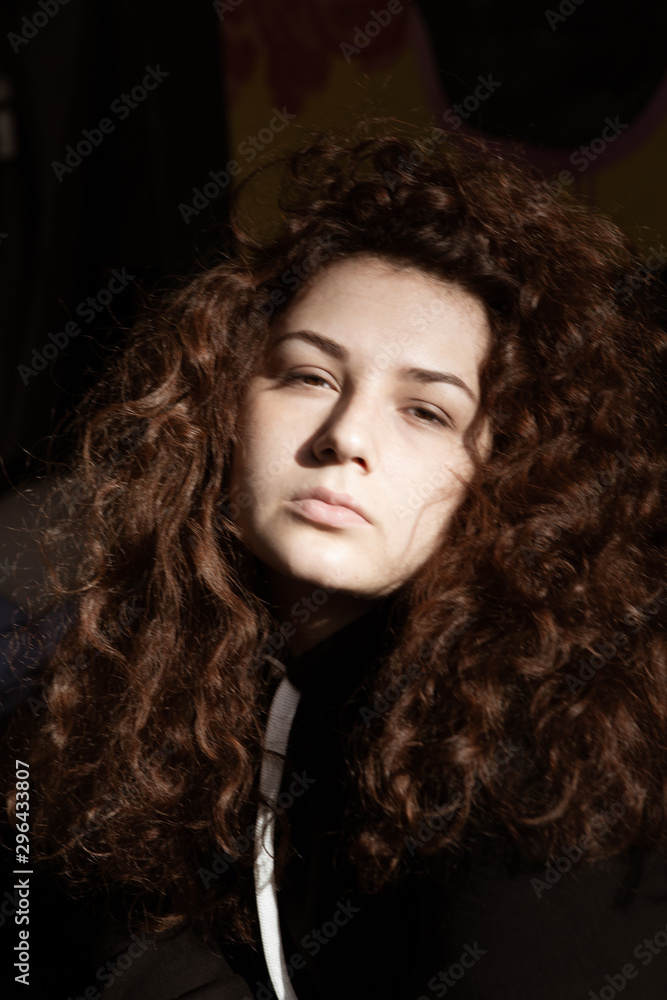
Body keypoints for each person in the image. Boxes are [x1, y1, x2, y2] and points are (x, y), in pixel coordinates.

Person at [2, 125, 666, 999]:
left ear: (505, 469)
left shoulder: (548, 741)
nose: (346, 436)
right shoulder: (160, 660)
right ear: (223, 402)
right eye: (309, 376)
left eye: (426, 411)